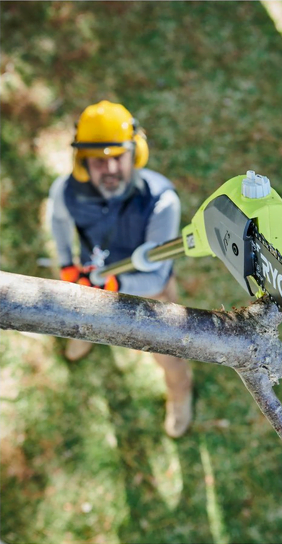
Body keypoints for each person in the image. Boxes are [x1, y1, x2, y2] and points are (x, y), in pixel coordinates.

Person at [47, 100, 192, 438]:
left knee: (168, 354)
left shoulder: (160, 202)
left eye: (118, 156)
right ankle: (85, 337)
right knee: (82, 323)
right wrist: (67, 263)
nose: (109, 168)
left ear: (136, 153)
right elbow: (57, 222)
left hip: (149, 295)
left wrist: (112, 284)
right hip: (89, 285)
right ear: (82, 161)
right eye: (98, 160)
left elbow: (155, 275)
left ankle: (180, 392)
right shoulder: (66, 192)